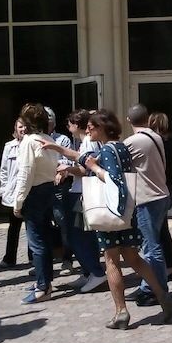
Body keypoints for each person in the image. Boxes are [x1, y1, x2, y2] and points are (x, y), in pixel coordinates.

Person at [44, 109, 172, 329]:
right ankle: (163, 297)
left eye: (91, 127)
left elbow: (111, 179)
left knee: (111, 261)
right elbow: (83, 159)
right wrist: (59, 150)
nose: (87, 130)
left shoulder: (107, 151)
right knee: (134, 258)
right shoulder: (120, 147)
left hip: (110, 212)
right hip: (125, 212)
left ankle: (121, 312)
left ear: (101, 128)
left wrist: (94, 167)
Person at [123, 104, 171, 306]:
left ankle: (158, 289)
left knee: (151, 248)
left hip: (147, 198)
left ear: (128, 120)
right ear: (148, 118)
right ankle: (147, 286)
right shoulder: (155, 137)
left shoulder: (132, 142)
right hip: (160, 195)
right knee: (152, 244)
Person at [14, 103, 60, 304]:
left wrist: (18, 202)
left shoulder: (29, 142)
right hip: (48, 189)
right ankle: (45, 280)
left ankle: (43, 286)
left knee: (37, 241)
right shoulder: (48, 139)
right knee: (44, 239)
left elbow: (25, 174)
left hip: (35, 192)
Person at [60, 109, 106, 292]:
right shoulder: (86, 141)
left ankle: (95, 271)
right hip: (82, 190)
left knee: (78, 235)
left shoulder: (87, 142)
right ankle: (88, 272)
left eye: (70, 123)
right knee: (83, 235)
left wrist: (66, 169)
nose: (68, 126)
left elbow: (86, 168)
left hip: (82, 192)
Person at [148, 111, 172, 280]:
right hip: (168, 184)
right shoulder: (171, 142)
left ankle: (166, 266)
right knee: (163, 228)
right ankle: (169, 265)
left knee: (158, 230)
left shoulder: (156, 143)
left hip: (159, 185)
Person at [45, 106, 75, 275]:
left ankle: (67, 259)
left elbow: (67, 161)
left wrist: (58, 169)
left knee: (62, 221)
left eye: (49, 122)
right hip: (42, 185)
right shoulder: (34, 139)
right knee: (43, 223)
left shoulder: (62, 140)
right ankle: (44, 261)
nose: (47, 125)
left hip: (58, 186)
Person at [0, 118, 28, 268]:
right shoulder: (9, 147)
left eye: (25, 126)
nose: (22, 129)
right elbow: (3, 170)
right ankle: (9, 257)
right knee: (13, 226)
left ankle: (33, 258)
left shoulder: (32, 144)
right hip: (13, 192)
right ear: (15, 129)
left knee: (31, 227)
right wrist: (3, 189)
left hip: (28, 191)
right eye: (20, 127)